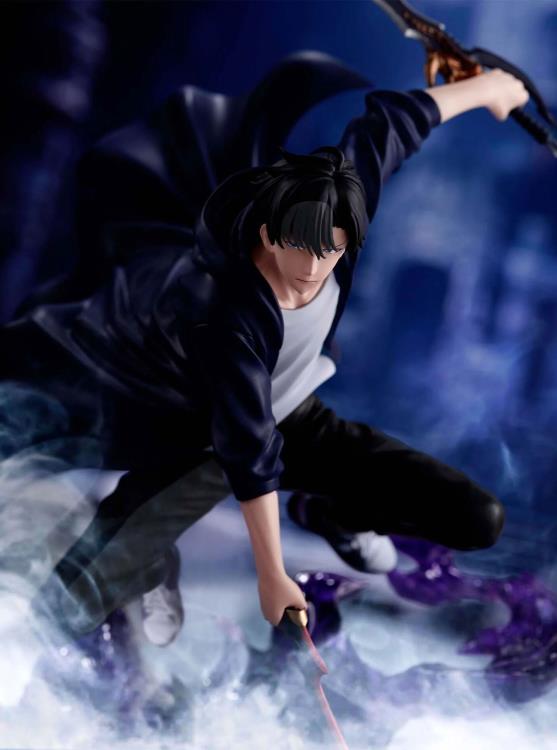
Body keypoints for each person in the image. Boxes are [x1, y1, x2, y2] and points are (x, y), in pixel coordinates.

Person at [2, 64, 527, 647]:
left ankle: (331, 514)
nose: (311, 269)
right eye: (297, 247)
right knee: (69, 608)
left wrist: (488, 89)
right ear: (268, 232)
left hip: (296, 418)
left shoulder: (338, 203)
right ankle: (144, 567)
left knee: (476, 518)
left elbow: (391, 123)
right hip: (202, 443)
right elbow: (250, 458)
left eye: (329, 250)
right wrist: (272, 575)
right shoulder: (226, 312)